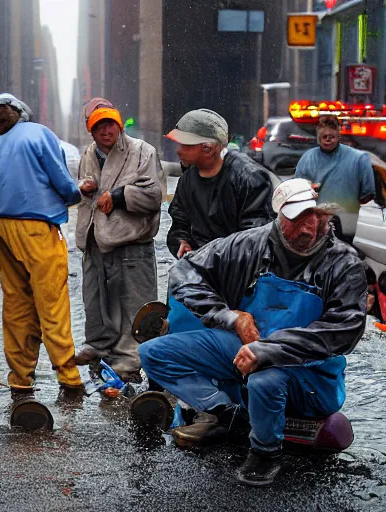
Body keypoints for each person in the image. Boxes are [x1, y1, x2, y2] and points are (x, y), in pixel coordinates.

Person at [139, 178, 367, 486]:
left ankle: (265, 453)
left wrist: (267, 351)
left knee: (265, 378)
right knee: (154, 354)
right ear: (278, 219)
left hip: (311, 373)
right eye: (296, 219)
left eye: (312, 216)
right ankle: (228, 414)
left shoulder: (343, 262)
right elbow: (184, 272)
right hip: (247, 349)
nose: (306, 227)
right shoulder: (250, 245)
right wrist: (229, 317)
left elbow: (345, 328)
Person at [0, 93, 83, 395]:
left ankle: (20, 376)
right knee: (51, 302)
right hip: (37, 227)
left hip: (0, 228)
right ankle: (68, 376)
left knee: (17, 303)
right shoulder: (38, 133)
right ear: (20, 112)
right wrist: (75, 194)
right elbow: (62, 181)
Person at [74, 99, 164, 381]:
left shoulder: (142, 151)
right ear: (91, 131)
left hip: (131, 240)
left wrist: (119, 196)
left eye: (110, 124)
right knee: (97, 301)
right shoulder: (88, 154)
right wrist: (85, 188)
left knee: (133, 304)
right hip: (95, 240)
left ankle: (130, 360)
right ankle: (99, 347)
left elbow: (154, 194)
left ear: (119, 126)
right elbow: (82, 193)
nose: (105, 131)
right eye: (98, 126)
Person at [166, 109, 274, 259]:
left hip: (240, 268)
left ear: (208, 149)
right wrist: (181, 242)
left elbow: (255, 238)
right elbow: (179, 223)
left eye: (186, 145)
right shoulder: (187, 180)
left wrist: (213, 258)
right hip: (202, 266)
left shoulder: (249, 178)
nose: (179, 151)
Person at [295, 115, 375, 242]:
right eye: (324, 137)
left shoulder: (359, 159)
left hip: (337, 223)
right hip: (328, 223)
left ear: (338, 137)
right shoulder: (308, 158)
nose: (328, 140)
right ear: (318, 138)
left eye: (331, 137)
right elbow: (297, 190)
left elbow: (368, 194)